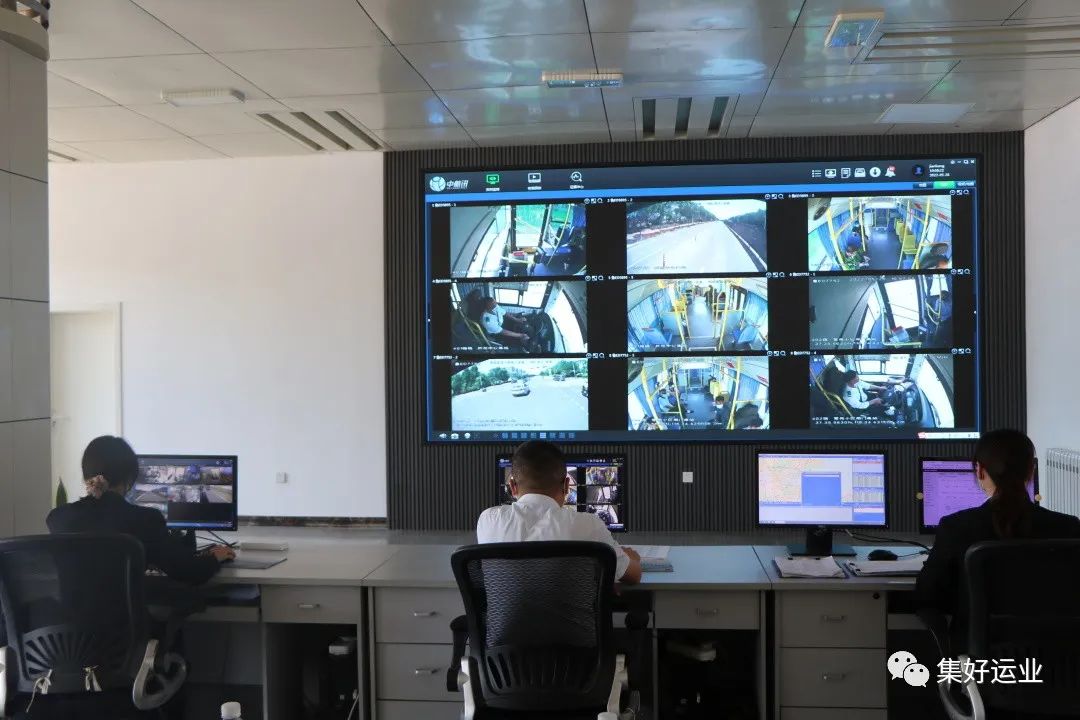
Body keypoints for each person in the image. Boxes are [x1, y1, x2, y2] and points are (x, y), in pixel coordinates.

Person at [915, 429, 1080, 651]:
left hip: (980, 662)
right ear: (1031, 470)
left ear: (980, 470)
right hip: (1059, 663)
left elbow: (928, 596)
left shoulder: (956, 527)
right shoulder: (1069, 527)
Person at [47, 436, 235, 587]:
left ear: (86, 476)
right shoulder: (146, 520)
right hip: (123, 624)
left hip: (67, 624)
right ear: (129, 480)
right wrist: (214, 558)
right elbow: (188, 572)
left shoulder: (57, 518)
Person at [477, 441, 642, 584]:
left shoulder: (488, 520)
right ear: (566, 486)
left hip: (504, 613)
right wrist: (631, 558)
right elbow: (633, 576)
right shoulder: (589, 525)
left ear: (513, 487)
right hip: (575, 613)